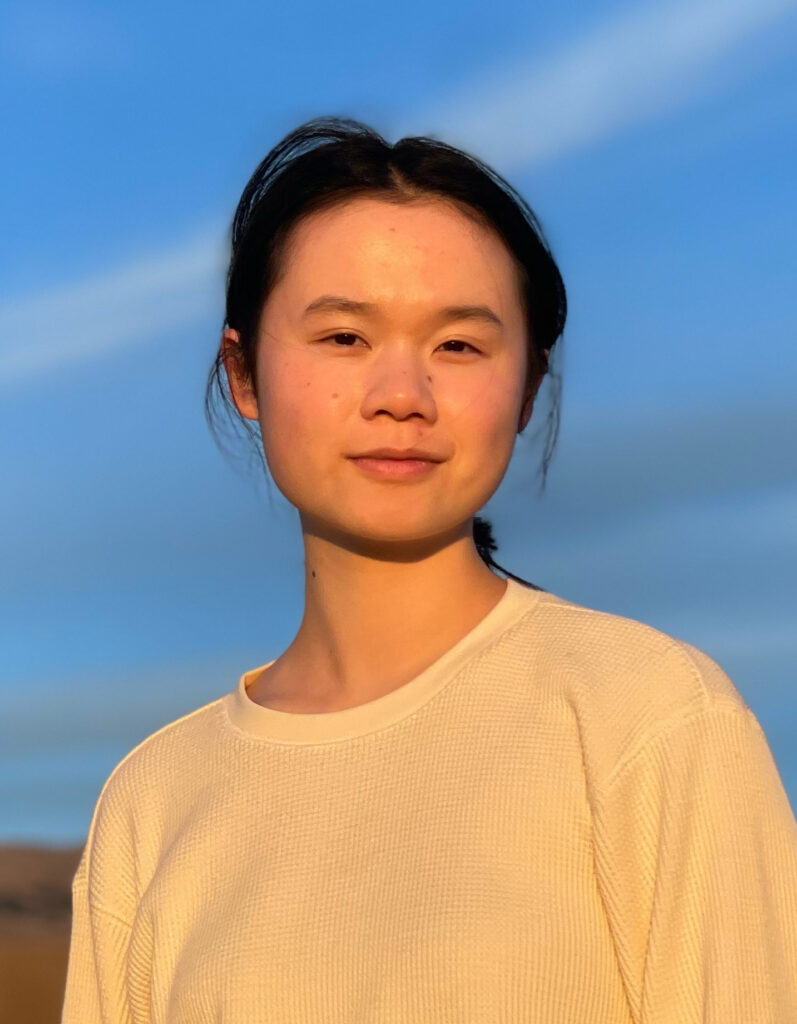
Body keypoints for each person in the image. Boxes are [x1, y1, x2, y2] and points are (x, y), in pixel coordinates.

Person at [61, 116, 797, 1023]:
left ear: (527, 386)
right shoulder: (153, 802)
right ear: (244, 371)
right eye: (342, 338)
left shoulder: (653, 723)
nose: (401, 398)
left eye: (458, 345)